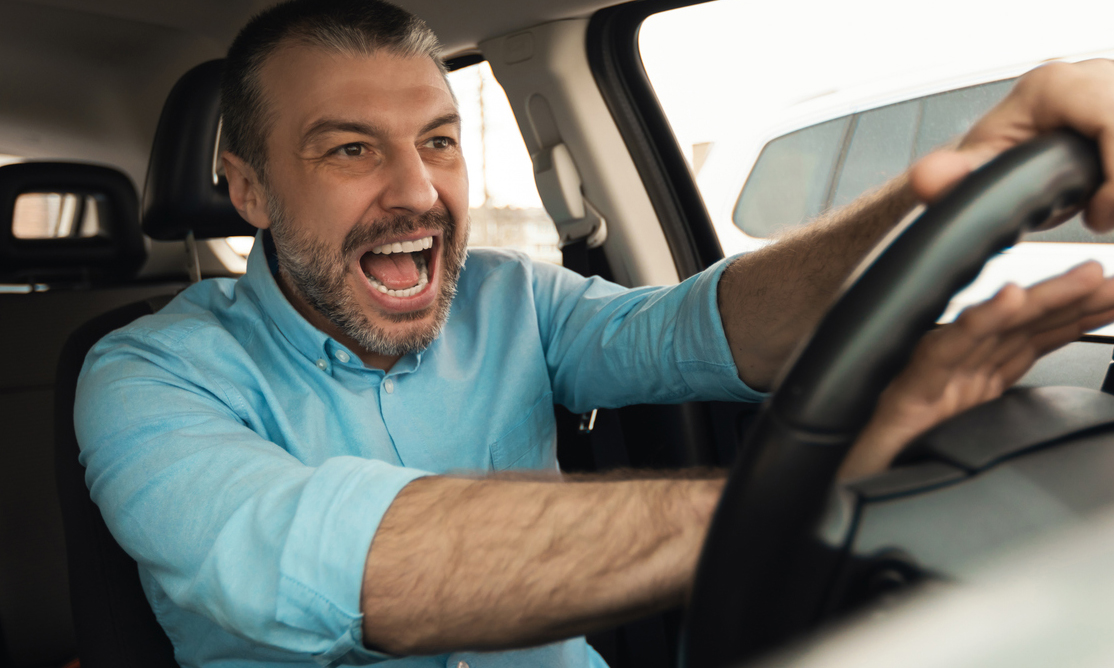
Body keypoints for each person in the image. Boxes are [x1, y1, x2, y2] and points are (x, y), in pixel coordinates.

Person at [73, 0, 1114, 665]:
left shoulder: (510, 297)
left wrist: (940, 190)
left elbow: (701, 330)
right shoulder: (144, 374)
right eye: (349, 150)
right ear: (250, 188)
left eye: (439, 140)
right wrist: (812, 482)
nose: (416, 190)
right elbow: (339, 557)